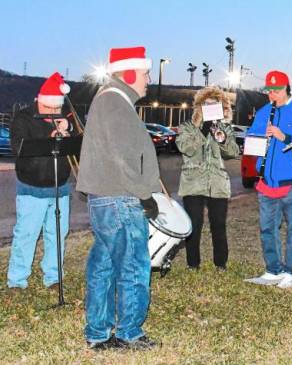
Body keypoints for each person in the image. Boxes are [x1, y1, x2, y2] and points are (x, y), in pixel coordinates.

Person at [77, 46, 160, 350]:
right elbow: (122, 156)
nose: (149, 79)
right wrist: (143, 195)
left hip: (106, 198)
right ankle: (130, 332)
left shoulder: (109, 99)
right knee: (134, 266)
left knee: (103, 266)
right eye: (145, 73)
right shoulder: (114, 101)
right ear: (129, 73)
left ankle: (98, 333)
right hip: (120, 199)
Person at [244, 70, 292, 289]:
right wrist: (257, 137)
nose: (271, 95)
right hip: (267, 180)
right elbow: (250, 139)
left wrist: (286, 137)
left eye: (276, 90)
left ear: (286, 89)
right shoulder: (264, 112)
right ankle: (273, 269)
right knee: (267, 228)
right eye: (269, 91)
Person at [6, 72, 73, 291]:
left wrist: (68, 131)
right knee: (27, 233)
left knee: (57, 233)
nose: (54, 113)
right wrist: (50, 137)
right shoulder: (23, 118)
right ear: (40, 101)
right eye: (50, 109)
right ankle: (17, 279)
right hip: (31, 187)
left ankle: (53, 276)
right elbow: (19, 148)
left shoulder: (63, 117)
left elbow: (78, 145)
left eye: (57, 109)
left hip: (59, 186)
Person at [176, 86, 240, 271]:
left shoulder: (224, 128)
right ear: (200, 106)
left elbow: (233, 153)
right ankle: (192, 264)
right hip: (193, 181)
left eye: (215, 105)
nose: (210, 108)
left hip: (218, 182)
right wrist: (202, 130)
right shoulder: (188, 127)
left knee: (218, 224)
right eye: (207, 104)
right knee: (194, 224)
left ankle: (221, 263)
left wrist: (222, 140)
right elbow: (185, 147)